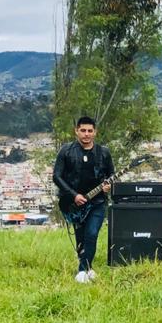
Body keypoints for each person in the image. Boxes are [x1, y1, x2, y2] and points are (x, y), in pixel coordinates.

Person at [53, 116, 114, 283]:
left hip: (98, 202)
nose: (86, 134)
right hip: (74, 204)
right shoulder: (66, 151)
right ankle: (88, 268)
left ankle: (82, 271)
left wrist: (109, 186)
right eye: (83, 130)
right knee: (81, 238)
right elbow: (57, 177)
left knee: (92, 234)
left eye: (90, 131)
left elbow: (111, 176)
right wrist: (74, 195)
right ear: (76, 131)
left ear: (95, 132)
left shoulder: (104, 153)